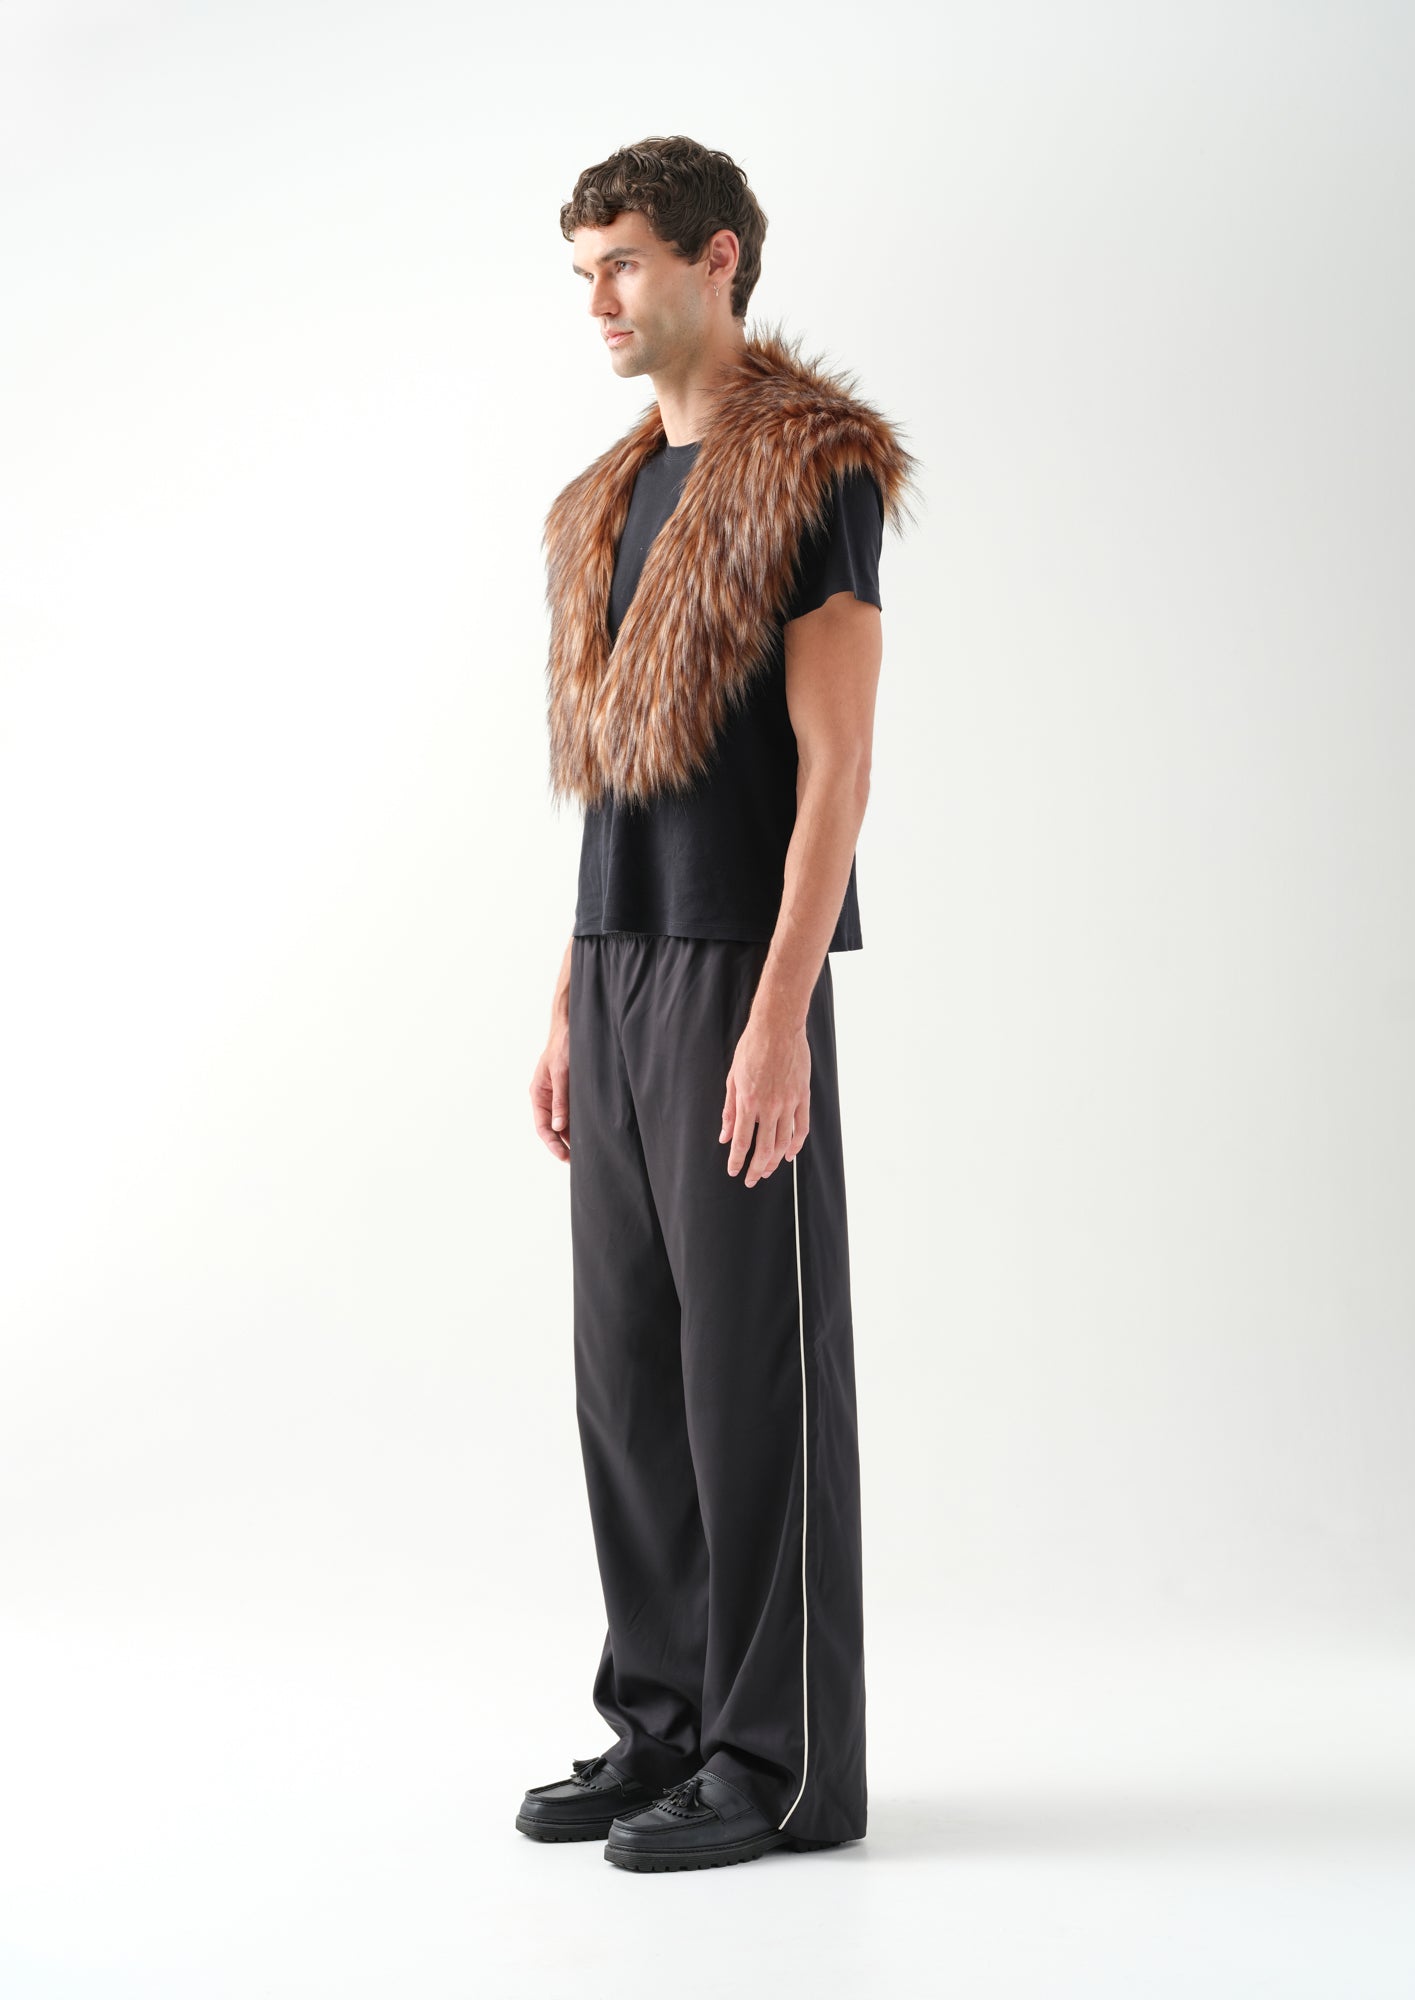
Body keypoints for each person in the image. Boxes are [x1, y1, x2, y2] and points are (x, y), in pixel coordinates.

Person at [518, 135, 918, 1873]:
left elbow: (838, 772)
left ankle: (780, 1762)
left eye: (622, 263)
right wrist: (568, 991)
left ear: (718, 259)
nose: (598, 301)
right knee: (628, 1372)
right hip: (619, 966)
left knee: (751, 1370)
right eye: (583, 273)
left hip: (736, 972)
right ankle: (665, 1726)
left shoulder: (810, 468)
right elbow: (617, 783)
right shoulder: (606, 501)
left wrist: (777, 1015)